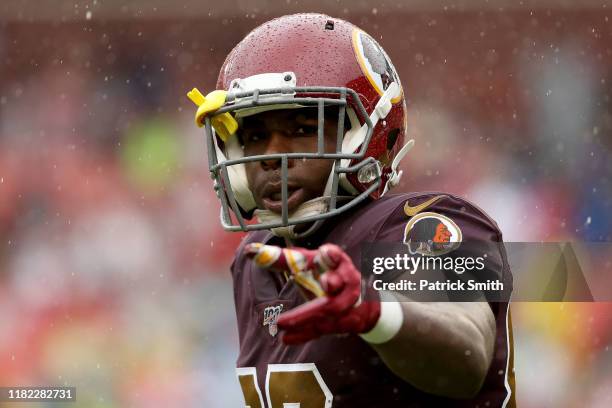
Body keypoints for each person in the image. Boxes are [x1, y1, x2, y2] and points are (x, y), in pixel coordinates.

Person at [187, 13, 516, 407]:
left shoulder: (420, 223)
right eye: (255, 137)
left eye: (302, 130)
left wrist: (376, 310)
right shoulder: (256, 261)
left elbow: (467, 348)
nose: (272, 156)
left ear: (368, 133)